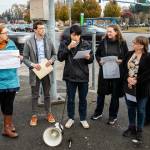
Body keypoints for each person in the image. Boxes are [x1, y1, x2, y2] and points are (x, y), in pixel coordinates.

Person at [91, 25, 128, 125]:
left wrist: (122, 61)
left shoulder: (122, 43)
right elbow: (97, 54)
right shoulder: (103, 42)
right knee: (101, 93)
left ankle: (113, 116)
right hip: (105, 71)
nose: (108, 33)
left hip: (117, 72)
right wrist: (100, 61)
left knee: (115, 95)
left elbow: (127, 56)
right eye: (107, 32)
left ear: (116, 32)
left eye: (110, 31)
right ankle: (98, 112)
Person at [57, 25, 93, 129]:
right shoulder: (65, 43)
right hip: (70, 76)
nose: (75, 37)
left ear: (80, 35)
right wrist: (68, 48)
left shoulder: (86, 44)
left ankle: (83, 118)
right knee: (71, 99)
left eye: (77, 35)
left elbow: (92, 59)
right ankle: (71, 118)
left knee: (83, 99)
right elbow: (60, 57)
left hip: (83, 76)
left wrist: (88, 57)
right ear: (70, 34)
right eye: (73, 35)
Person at [23, 21, 56, 126]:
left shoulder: (48, 40)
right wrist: (33, 65)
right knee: (35, 95)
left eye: (44, 28)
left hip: (46, 71)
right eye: (41, 28)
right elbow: (24, 58)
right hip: (35, 71)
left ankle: (49, 113)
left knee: (47, 95)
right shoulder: (28, 42)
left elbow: (54, 54)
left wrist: (51, 61)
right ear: (35, 30)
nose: (43, 30)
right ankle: (34, 115)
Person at [122, 36, 150, 144]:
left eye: (135, 43)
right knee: (130, 108)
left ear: (142, 45)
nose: (133, 44)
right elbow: (123, 69)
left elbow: (148, 74)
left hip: (142, 89)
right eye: (133, 42)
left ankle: (140, 130)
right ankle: (131, 127)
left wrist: (136, 80)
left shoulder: (147, 57)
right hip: (129, 87)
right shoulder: (129, 54)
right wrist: (127, 78)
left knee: (141, 110)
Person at [0, 24, 22, 138]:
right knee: (3, 106)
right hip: (0, 82)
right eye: (4, 33)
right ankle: (7, 124)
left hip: (11, 81)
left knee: (8, 105)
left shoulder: (11, 44)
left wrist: (20, 58)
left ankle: (7, 128)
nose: (6, 35)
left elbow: (17, 59)